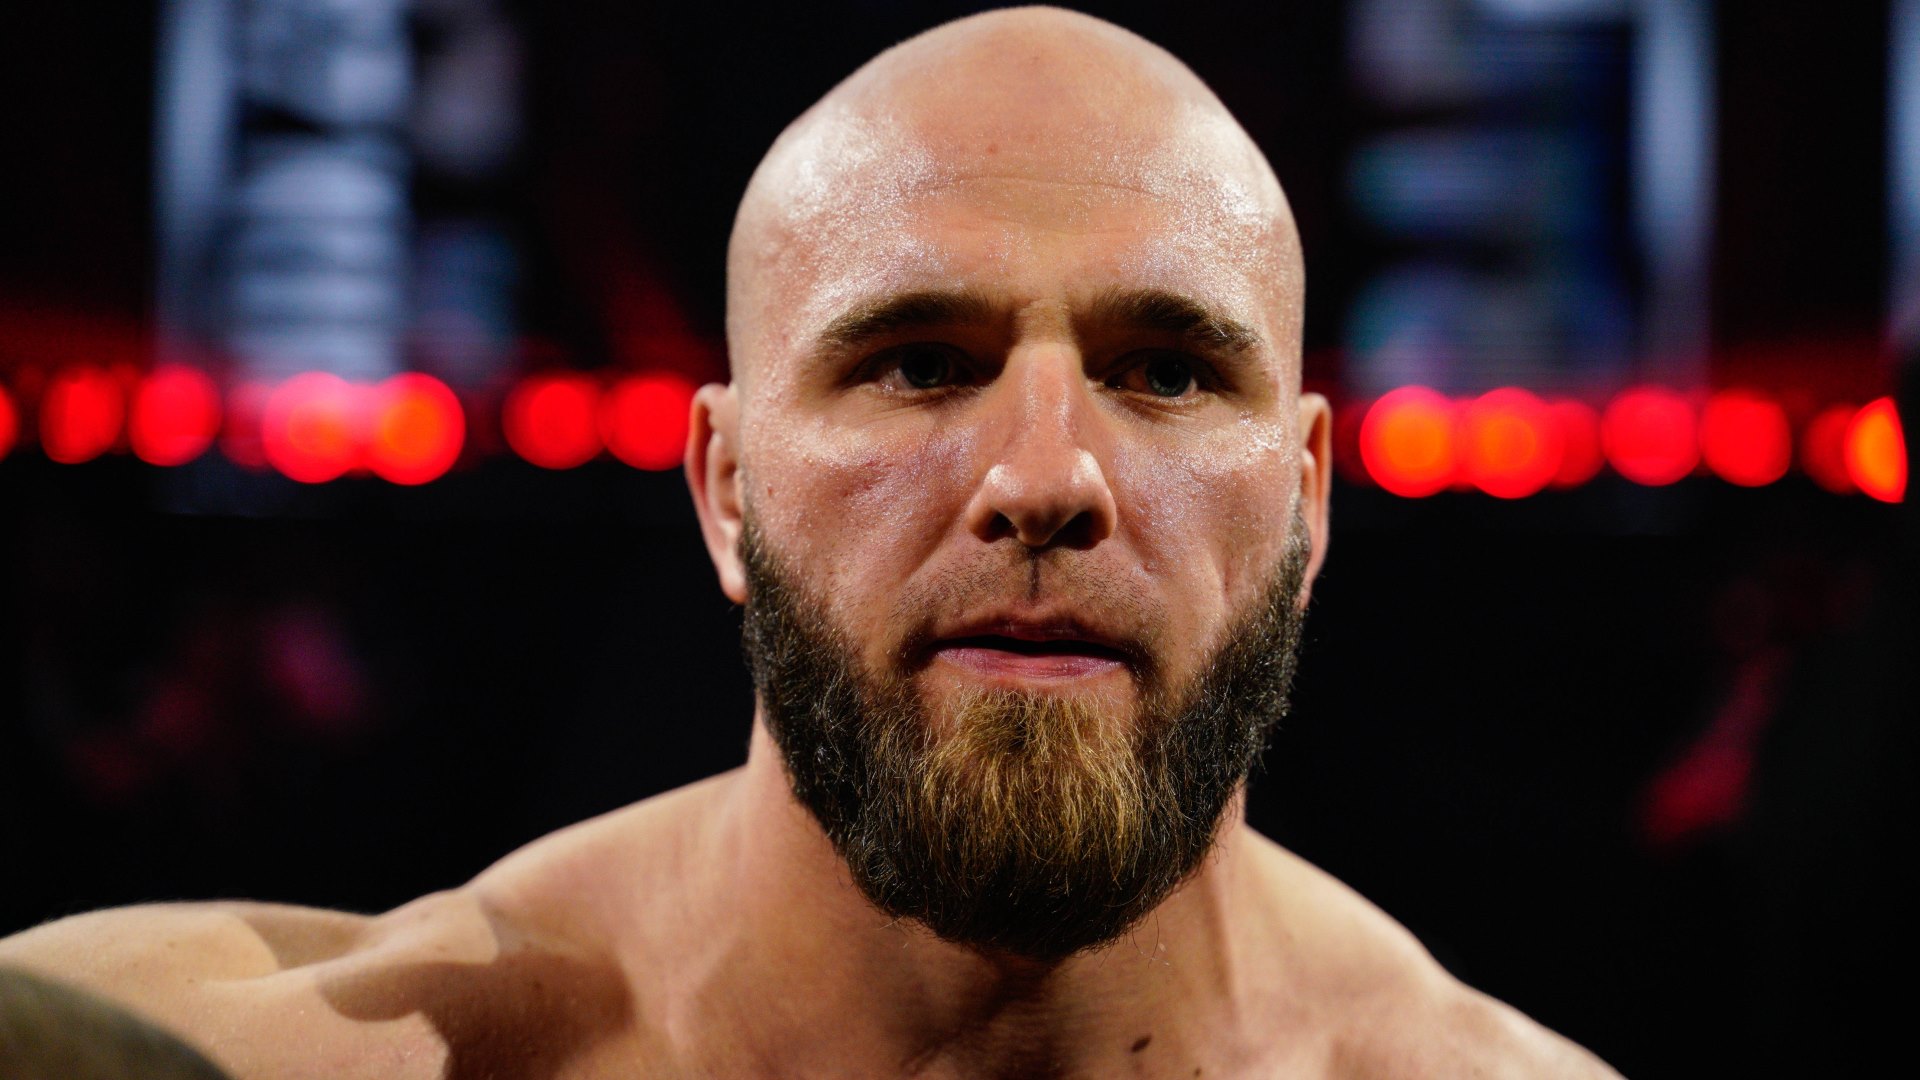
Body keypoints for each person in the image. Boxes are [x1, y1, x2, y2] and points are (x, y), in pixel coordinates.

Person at [0, 8, 1623, 1076]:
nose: (1046, 475)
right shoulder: (213, 1059)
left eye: (1167, 373)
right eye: (917, 363)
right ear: (723, 490)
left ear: (1311, 501)